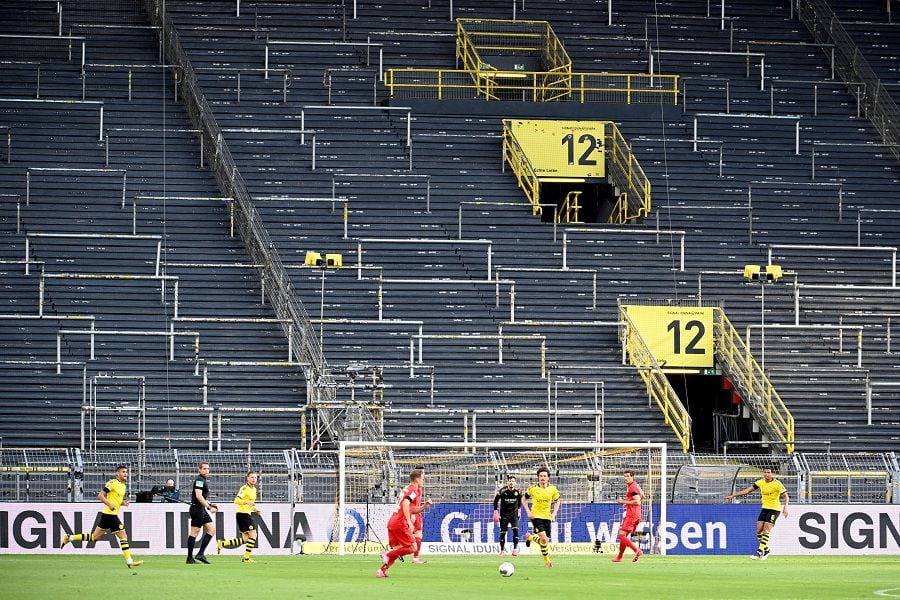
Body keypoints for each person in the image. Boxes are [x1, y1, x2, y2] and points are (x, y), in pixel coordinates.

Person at [59, 464, 143, 569]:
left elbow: (115, 500)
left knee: (95, 537)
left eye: (126, 472)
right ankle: (129, 561)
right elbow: (100, 495)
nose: (126, 474)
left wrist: (122, 503)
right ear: (117, 473)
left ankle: (69, 538)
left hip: (108, 515)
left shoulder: (123, 486)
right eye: (123, 472)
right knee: (123, 536)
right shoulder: (112, 483)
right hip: (110, 515)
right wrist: (109, 505)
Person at [377, 467, 432, 578]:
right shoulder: (413, 490)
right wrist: (409, 521)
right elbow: (405, 503)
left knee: (398, 551)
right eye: (422, 478)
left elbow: (411, 508)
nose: (423, 480)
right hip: (400, 523)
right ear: (417, 479)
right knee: (413, 548)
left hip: (393, 523)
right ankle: (386, 554)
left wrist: (424, 507)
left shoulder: (408, 489)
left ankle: (381, 571)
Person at [725, 467, 789, 560]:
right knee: (759, 530)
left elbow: (786, 496)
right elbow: (747, 491)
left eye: (768, 472)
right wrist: (733, 495)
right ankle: (766, 549)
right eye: (765, 472)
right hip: (765, 508)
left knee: (766, 529)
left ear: (772, 474)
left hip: (774, 509)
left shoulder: (777, 484)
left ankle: (759, 551)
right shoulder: (760, 482)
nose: (767, 474)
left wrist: (785, 507)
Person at [217, 471, 261, 563]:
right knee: (253, 535)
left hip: (245, 514)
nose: (254, 479)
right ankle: (246, 558)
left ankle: (222, 543)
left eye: (255, 477)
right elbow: (236, 500)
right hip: (243, 514)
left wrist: (255, 509)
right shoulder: (244, 488)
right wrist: (246, 502)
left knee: (245, 539)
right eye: (252, 477)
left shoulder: (254, 489)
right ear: (247, 478)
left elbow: (249, 503)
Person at [522, 467, 560, 568]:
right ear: (538, 478)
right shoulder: (532, 489)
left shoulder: (553, 489)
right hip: (536, 517)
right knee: (543, 537)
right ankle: (547, 561)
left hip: (547, 517)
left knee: (545, 541)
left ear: (548, 478)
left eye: (544, 476)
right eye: (540, 476)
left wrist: (554, 513)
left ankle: (531, 537)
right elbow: (523, 499)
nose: (542, 478)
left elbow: (558, 501)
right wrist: (528, 511)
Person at [186, 462, 218, 564]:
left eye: (208, 468)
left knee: (212, 530)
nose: (206, 470)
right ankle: (189, 558)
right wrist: (209, 507)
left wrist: (210, 503)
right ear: (199, 470)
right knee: (194, 533)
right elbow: (198, 496)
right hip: (197, 510)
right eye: (204, 468)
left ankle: (200, 554)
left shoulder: (203, 480)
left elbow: (201, 497)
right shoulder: (199, 480)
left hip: (201, 509)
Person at [611, 468, 644, 563]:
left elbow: (637, 501)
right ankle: (619, 557)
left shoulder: (632, 487)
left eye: (628, 476)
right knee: (624, 536)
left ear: (632, 477)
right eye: (625, 476)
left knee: (621, 536)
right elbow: (642, 496)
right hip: (636, 514)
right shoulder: (635, 485)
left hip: (632, 515)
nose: (626, 478)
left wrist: (623, 501)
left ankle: (637, 551)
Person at [493, 474, 523, 556]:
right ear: (507, 482)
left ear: (515, 483)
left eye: (513, 481)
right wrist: (496, 512)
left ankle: (515, 550)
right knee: (503, 533)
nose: (511, 483)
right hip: (504, 515)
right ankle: (502, 551)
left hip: (514, 515)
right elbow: (495, 501)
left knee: (516, 532)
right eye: (510, 481)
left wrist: (519, 511)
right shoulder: (502, 491)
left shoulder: (518, 492)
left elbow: (520, 501)